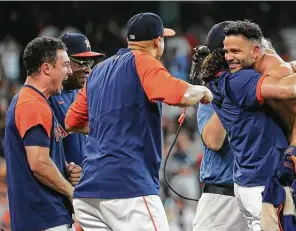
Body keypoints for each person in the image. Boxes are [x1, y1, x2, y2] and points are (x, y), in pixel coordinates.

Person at [64, 12, 213, 231]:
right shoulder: (144, 61)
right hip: (127, 188)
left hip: (89, 196)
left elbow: (71, 121)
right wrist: (204, 91)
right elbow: (181, 96)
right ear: (157, 41)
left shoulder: (99, 70)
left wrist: (107, 130)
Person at [223, 20, 296, 230]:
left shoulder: (273, 67)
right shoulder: (256, 70)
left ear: (256, 51)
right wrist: (295, 66)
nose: (228, 57)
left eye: (236, 50)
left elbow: (291, 91)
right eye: (226, 51)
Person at [4, 36, 82, 231]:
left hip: (44, 217)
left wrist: (65, 169)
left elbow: (43, 158)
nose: (70, 71)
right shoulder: (32, 104)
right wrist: (70, 191)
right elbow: (38, 162)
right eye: (65, 65)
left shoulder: (36, 101)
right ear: (46, 68)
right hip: (43, 218)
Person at [192, 21, 248, 231]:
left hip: (260, 195)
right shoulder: (212, 94)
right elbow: (214, 141)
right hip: (222, 198)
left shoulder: (257, 85)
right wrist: (231, 90)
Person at [49, 32, 104, 165]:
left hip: (82, 178)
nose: (88, 70)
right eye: (81, 62)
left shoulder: (82, 94)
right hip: (58, 180)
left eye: (89, 63)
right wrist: (68, 169)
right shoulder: (48, 95)